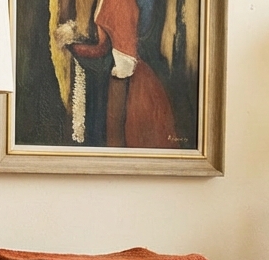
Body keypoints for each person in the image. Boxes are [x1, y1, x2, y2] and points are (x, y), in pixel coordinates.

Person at [56, 0, 179, 149]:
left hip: (129, 85)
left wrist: (71, 44)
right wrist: (73, 42)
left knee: (119, 139)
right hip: (109, 79)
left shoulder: (121, 3)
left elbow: (119, 55)